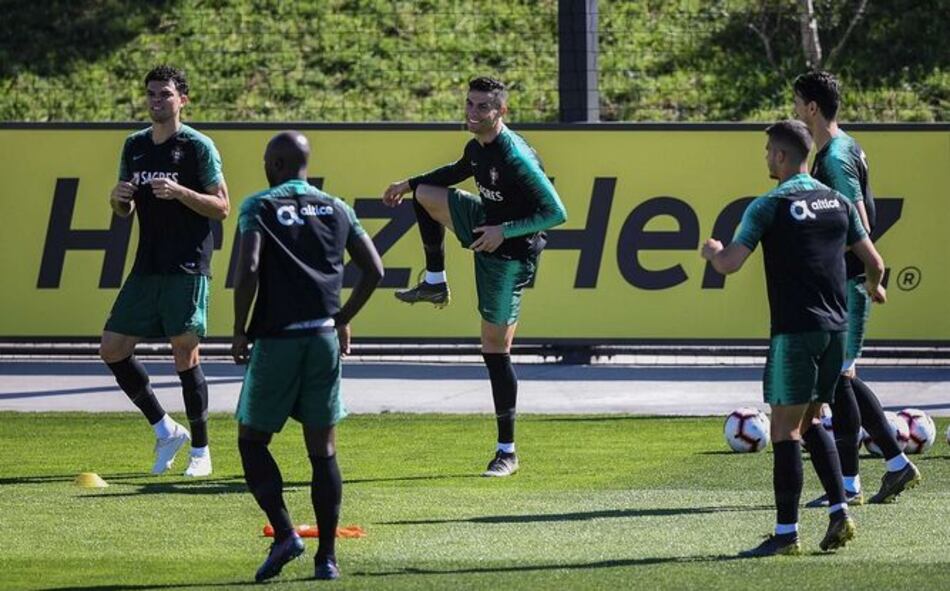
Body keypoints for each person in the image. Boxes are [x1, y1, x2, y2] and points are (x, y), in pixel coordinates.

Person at [702, 120, 887, 557]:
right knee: (812, 420)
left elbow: (730, 263)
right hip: (835, 330)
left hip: (795, 330)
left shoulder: (769, 205)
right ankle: (840, 509)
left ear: (782, 156)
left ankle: (786, 534)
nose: (766, 157)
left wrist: (711, 252)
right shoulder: (838, 201)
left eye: (769, 150)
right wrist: (875, 287)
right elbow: (875, 261)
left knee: (785, 430)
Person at [382, 76, 567, 477]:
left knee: (494, 348)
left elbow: (556, 213)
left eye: (483, 106)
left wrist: (505, 230)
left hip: (511, 253)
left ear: (502, 112)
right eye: (469, 103)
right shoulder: (476, 146)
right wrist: (409, 183)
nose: (472, 111)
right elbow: (455, 171)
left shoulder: (515, 156)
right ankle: (434, 281)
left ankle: (507, 452)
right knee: (427, 195)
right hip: (486, 226)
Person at [232, 131, 383, 582]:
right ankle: (328, 560)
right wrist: (341, 317)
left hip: (278, 340)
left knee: (252, 440)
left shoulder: (258, 205)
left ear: (274, 164)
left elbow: (250, 269)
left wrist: (240, 329)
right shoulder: (338, 206)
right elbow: (375, 270)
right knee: (323, 451)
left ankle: (285, 534)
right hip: (322, 339)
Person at [793, 70, 920, 505]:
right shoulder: (847, 146)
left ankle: (856, 481)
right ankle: (891, 467)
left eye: (796, 102)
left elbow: (858, 220)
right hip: (848, 280)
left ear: (811, 107)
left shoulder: (833, 158)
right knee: (843, 378)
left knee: (841, 380)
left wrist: (865, 272)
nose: (794, 109)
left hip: (844, 283)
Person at [99, 65, 229, 477]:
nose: (157, 101)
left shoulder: (196, 147)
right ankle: (164, 427)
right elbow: (125, 210)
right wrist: (118, 199)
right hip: (147, 265)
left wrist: (180, 192)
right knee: (112, 348)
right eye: (152, 94)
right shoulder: (135, 145)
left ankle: (201, 451)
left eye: (166, 95)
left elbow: (222, 206)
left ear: (182, 100)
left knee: (184, 352)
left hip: (188, 264)